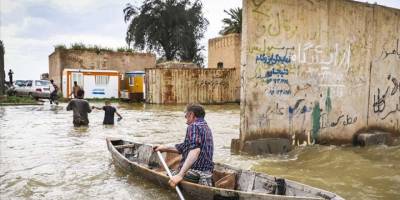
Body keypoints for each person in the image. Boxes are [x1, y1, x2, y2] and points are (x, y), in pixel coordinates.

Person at [154, 104, 214, 187]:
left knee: (165, 174)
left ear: (191, 115)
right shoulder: (206, 127)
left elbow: (195, 150)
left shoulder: (193, 126)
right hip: (207, 173)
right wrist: (164, 148)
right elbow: (185, 147)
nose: (186, 121)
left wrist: (180, 175)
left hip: (196, 173)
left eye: (186, 116)